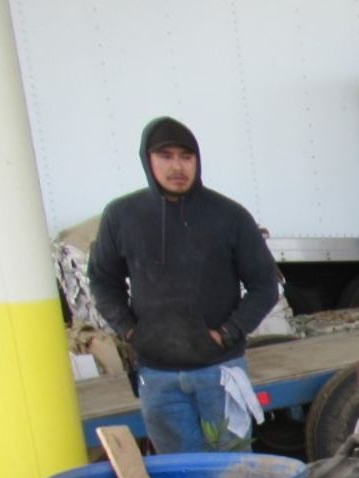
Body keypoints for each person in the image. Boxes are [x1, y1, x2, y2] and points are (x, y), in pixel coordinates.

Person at [87, 116, 281, 453]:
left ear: (197, 160)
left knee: (234, 471)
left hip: (220, 373)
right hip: (157, 377)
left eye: (186, 156)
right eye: (166, 156)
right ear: (147, 160)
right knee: (179, 474)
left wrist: (227, 333)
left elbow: (265, 284)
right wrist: (129, 330)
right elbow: (103, 280)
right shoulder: (122, 216)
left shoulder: (229, 216)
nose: (177, 166)